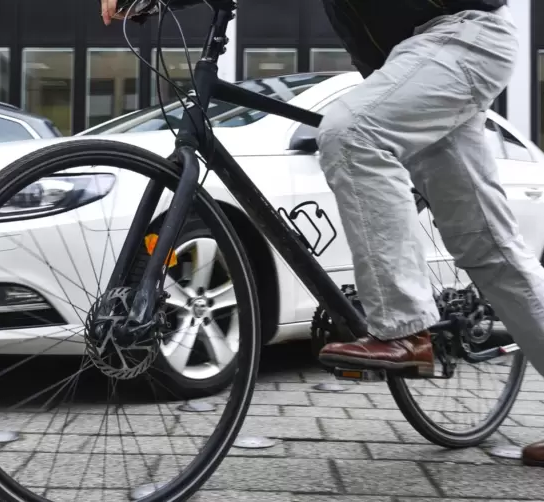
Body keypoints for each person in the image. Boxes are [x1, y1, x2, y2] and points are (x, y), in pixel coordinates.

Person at [99, 0, 544, 467]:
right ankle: (406, 321)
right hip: (411, 58)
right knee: (493, 251)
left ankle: (405, 328)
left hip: (464, 34)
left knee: (353, 132)